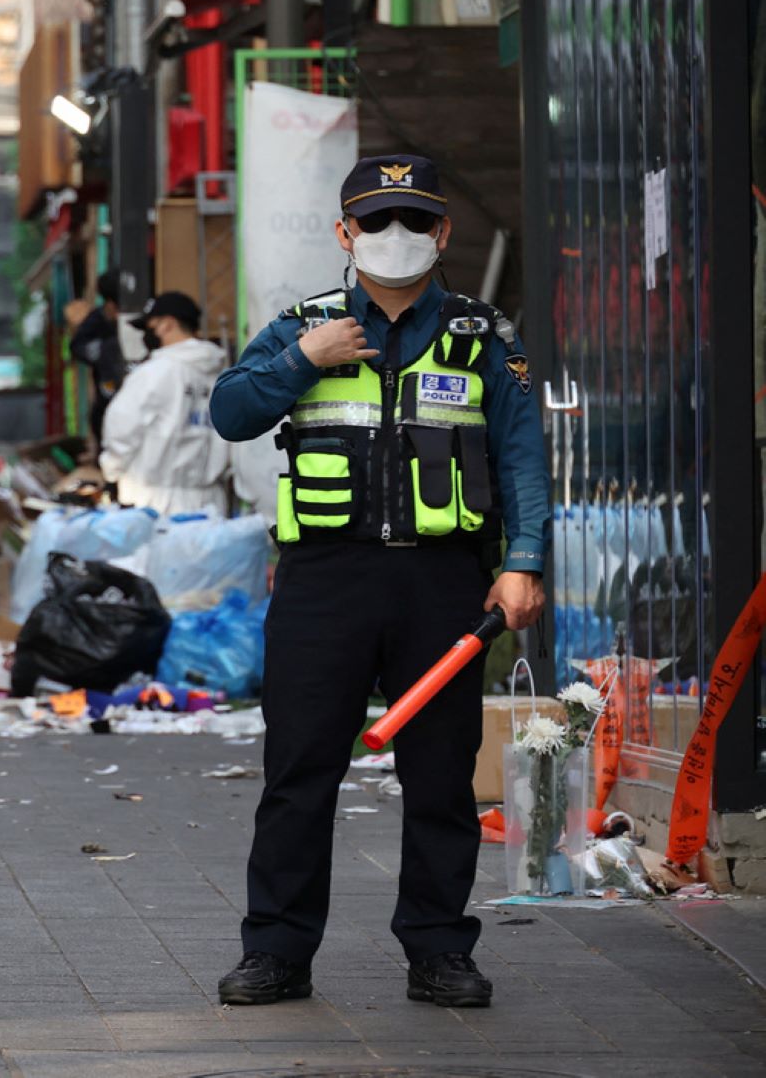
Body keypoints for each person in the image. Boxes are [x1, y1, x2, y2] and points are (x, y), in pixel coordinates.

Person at [209, 155, 549, 1009]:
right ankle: (276, 953)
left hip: (441, 583)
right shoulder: (304, 324)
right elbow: (230, 412)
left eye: (411, 221)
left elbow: (519, 457)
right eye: (373, 222)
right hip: (323, 581)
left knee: (439, 776)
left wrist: (523, 560)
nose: (391, 237)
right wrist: (300, 361)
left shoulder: (481, 336)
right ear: (342, 234)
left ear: (442, 233)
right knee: (297, 772)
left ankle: (438, 949)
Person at [99, 291, 232, 515]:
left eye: (150, 326)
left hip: (152, 503)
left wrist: (111, 470)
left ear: (168, 324)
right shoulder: (223, 374)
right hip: (211, 505)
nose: (146, 335)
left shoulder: (154, 374)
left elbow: (121, 431)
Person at [66, 273, 126, 444]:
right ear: (110, 304)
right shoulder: (96, 321)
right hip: (107, 395)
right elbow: (77, 347)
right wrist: (109, 351)